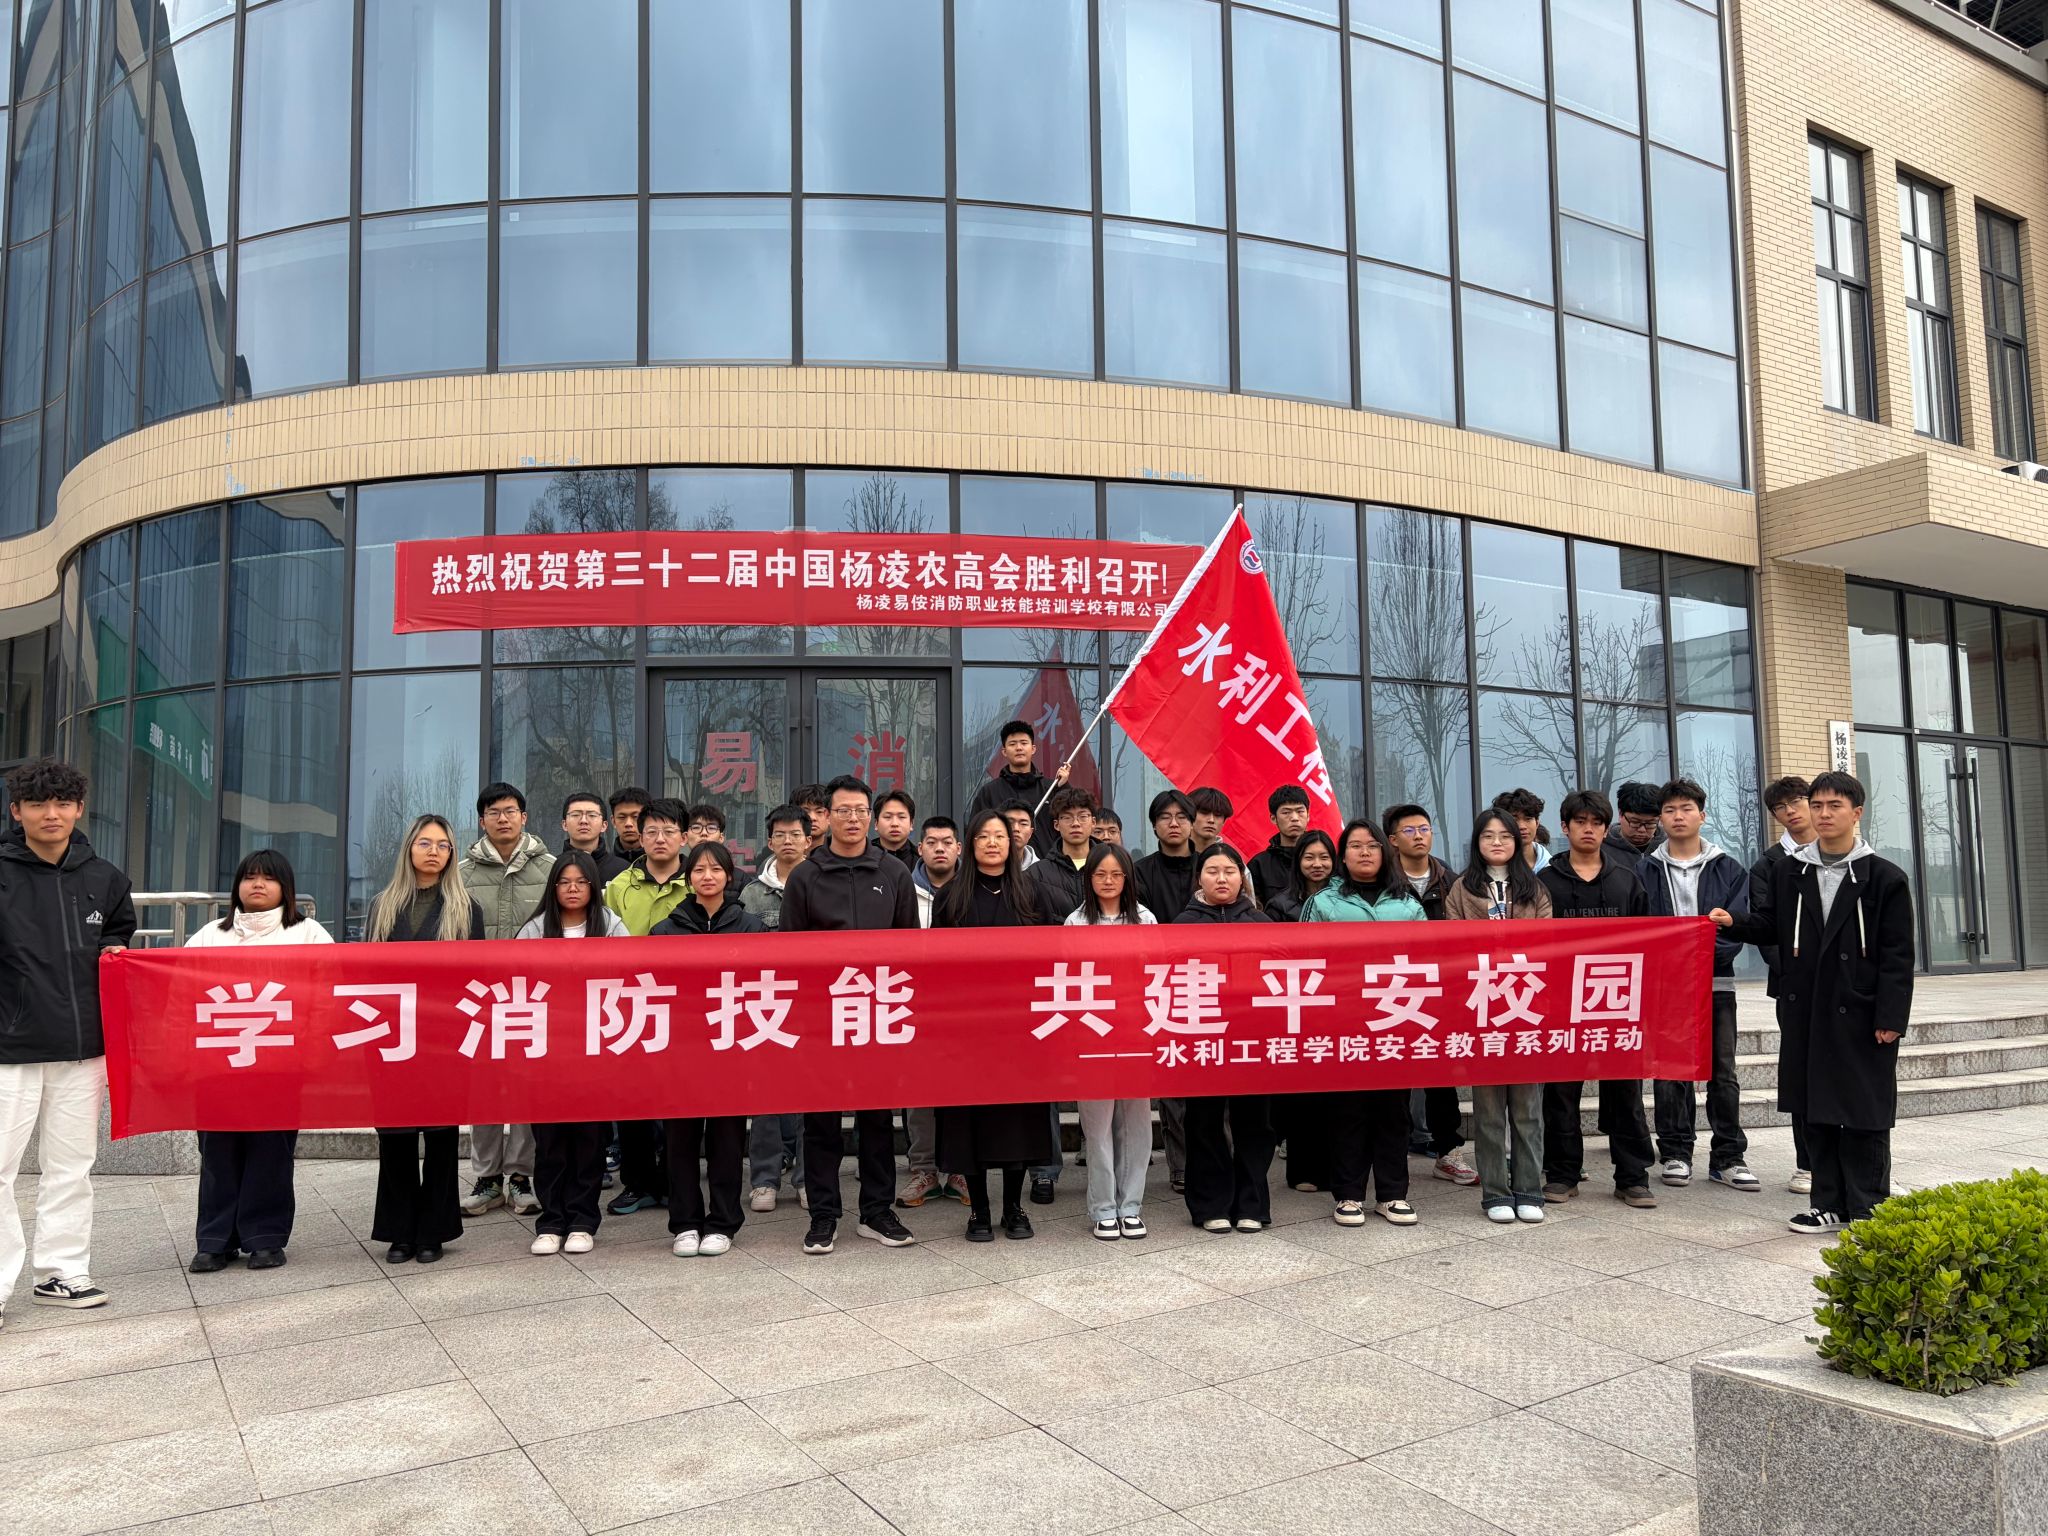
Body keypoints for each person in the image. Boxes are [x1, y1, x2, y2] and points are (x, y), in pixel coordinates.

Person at [1711, 772, 1913, 1235]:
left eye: (1833, 806)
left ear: (1856, 813)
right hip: (1807, 1009)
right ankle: (1827, 1203)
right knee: (1815, 1107)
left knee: (1863, 1111)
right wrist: (1734, 922)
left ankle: (1867, 1206)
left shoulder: (1883, 877)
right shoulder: (1790, 872)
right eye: (1817, 805)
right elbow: (1772, 925)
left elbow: (1898, 955)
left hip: (1862, 1010)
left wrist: (1890, 1016)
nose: (1823, 814)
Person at [0, 758, 136, 1321]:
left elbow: (118, 944)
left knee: (71, 1166)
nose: (50, 814)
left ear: (80, 808)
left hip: (84, 1049)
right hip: (10, 1048)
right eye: (37, 804)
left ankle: (61, 1272)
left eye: (62, 803)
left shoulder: (106, 878)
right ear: (17, 812)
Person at [784, 775, 921, 1254]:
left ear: (871, 817)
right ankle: (824, 1215)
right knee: (820, 1120)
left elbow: (909, 948)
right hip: (824, 1017)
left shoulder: (894, 873)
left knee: (877, 1118)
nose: (853, 819)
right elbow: (791, 955)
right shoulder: (806, 876)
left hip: (878, 1013)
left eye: (861, 810)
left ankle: (877, 1211)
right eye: (843, 810)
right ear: (826, 817)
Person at [184, 850, 332, 1274]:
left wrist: (313, 1051)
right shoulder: (210, 935)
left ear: (286, 887)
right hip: (219, 1061)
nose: (258, 884)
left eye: (269, 878)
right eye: (249, 877)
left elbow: (327, 995)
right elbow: (179, 991)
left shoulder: (309, 934)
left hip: (281, 1062)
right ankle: (215, 1240)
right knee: (218, 1150)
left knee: (270, 1149)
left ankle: (264, 1238)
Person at [933, 810, 1059, 1241]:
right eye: (983, 836)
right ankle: (979, 1211)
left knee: (1017, 1119)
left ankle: (1013, 1208)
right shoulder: (951, 897)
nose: (992, 843)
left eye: (1000, 836)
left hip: (1020, 1027)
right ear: (970, 844)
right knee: (971, 1120)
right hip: (967, 1029)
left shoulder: (1032, 893)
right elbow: (937, 965)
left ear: (1012, 844)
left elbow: (1049, 957)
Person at [364, 813, 484, 1265]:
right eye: (425, 843)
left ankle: (433, 1230)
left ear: (451, 854)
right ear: (409, 849)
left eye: (443, 845)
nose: (434, 851)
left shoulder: (466, 908)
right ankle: (400, 1231)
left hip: (442, 1037)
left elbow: (474, 979)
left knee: (440, 1138)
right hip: (390, 1034)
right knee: (394, 1137)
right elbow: (367, 975)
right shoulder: (382, 905)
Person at [1536, 791, 1658, 1210]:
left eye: (1596, 823)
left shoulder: (1627, 879)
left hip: (1617, 1001)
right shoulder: (1545, 883)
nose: (1588, 829)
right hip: (1560, 1003)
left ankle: (1633, 1177)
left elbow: (1648, 941)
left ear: (1607, 829)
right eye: (1580, 822)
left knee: (1625, 1092)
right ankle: (1562, 1174)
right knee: (1560, 1093)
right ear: (1565, 827)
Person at [1302, 820, 1424, 1227]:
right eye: (1355, 846)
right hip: (1345, 1019)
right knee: (1348, 1109)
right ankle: (1348, 1194)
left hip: (1397, 1017)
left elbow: (1429, 957)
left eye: (1372, 845)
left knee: (1394, 1110)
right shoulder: (1323, 903)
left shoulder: (1407, 903)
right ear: (1343, 855)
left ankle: (1392, 1194)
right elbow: (1306, 960)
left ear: (1385, 851)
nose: (1365, 852)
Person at [1640, 777, 1757, 1194]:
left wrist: (1696, 957)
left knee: (1722, 1072)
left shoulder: (1729, 868)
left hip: (1716, 984)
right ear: (1661, 819)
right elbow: (1641, 930)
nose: (1678, 816)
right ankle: (1675, 1152)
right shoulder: (1645, 869)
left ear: (1702, 815)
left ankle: (1728, 1157)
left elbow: (1735, 928)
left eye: (1686, 809)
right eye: (1670, 810)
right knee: (1671, 1069)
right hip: (1666, 988)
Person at [651, 842, 761, 1257]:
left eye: (716, 869)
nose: (708, 876)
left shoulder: (751, 927)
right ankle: (684, 1223)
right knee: (679, 1141)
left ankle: (723, 1222)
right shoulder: (665, 930)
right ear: (689, 877)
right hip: (682, 1050)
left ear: (729, 875)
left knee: (726, 1142)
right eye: (699, 870)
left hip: (731, 1049)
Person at [1446, 809, 1553, 1224]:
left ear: (1517, 841)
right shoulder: (1461, 889)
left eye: (1505, 836)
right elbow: (1454, 947)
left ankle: (1528, 1189)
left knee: (1528, 1109)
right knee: (1489, 1110)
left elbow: (1547, 945)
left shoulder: (1535, 889)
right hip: (1481, 1005)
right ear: (1477, 843)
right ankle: (1494, 1192)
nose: (1496, 843)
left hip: (1526, 1006)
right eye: (1488, 836)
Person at [518, 851, 626, 1256]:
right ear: (553, 887)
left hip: (595, 1050)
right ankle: (550, 1220)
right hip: (546, 1051)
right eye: (564, 882)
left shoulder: (610, 925)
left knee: (588, 1139)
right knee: (549, 1141)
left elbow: (628, 976)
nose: (573, 889)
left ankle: (582, 1219)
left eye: (581, 881)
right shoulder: (534, 928)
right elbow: (518, 981)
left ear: (593, 886)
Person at [458, 782, 555, 1219]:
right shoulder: (461, 873)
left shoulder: (550, 868)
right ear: (482, 820)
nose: (503, 818)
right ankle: (486, 1177)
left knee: (526, 1088)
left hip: (532, 996)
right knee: (483, 1089)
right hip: (479, 998)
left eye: (510, 810)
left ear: (524, 817)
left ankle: (520, 1175)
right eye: (494, 812)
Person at [1174, 843, 1276, 1233]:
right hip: (1203, 1035)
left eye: (1229, 871)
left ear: (1241, 877)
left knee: (1254, 1121)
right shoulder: (1182, 925)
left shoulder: (1261, 923)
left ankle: (1252, 1203)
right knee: (1203, 1120)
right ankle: (1210, 1203)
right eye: (1213, 871)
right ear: (1199, 878)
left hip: (1252, 1036)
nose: (1221, 878)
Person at [602, 798, 695, 1216]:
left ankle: (676, 1181)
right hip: (631, 1004)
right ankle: (637, 1183)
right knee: (633, 1099)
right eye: (652, 832)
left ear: (684, 837)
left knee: (680, 1099)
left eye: (669, 831)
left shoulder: (698, 880)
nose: (660, 839)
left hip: (685, 1006)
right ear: (639, 838)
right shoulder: (619, 886)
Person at [1065, 843, 1157, 1240]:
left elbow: (1155, 975)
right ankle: (1104, 1207)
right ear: (1089, 879)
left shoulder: (1145, 919)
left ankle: (1131, 1205)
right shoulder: (1075, 922)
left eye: (1115, 874)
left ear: (1127, 879)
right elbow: (1069, 979)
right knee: (1097, 1125)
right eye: (1100, 874)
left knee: (1136, 1123)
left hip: (1135, 1032)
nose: (1108, 881)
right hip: (1093, 1032)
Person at [1382, 803, 1476, 1187]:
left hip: (1440, 990)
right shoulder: (1382, 883)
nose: (1419, 836)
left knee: (1441, 1075)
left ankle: (1448, 1151)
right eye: (1409, 830)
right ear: (1392, 840)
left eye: (1424, 828)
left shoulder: (1452, 882)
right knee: (1392, 1077)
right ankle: (1389, 1156)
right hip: (1391, 989)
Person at [900, 817, 971, 1210]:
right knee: (920, 1091)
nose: (940, 848)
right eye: (931, 842)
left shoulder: (972, 888)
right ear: (920, 848)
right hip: (916, 1004)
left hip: (963, 1007)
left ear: (959, 848)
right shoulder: (902, 888)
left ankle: (959, 1170)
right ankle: (924, 1169)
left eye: (947, 842)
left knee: (962, 1089)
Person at [740, 804, 809, 1211]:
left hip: (809, 1002)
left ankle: (805, 1178)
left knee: (806, 1093)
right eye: (780, 835)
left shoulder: (820, 882)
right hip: (764, 1002)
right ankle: (764, 1179)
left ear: (808, 840)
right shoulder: (752, 892)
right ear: (769, 841)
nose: (787, 841)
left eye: (795, 834)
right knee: (765, 1094)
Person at [1754, 776, 1818, 1195]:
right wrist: (1794, 975)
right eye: (1780, 807)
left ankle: (1855, 1163)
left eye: (1797, 801)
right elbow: (1767, 930)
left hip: (1843, 989)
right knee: (1800, 1074)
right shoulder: (1770, 865)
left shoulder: (1846, 858)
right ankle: (1806, 1163)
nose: (1790, 811)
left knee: (1845, 1074)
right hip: (1794, 990)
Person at [1134, 789, 1199, 1193]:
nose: (1173, 823)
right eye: (1165, 817)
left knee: (1212, 1075)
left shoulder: (1212, 864)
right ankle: (1181, 1166)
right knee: (1173, 1079)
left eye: (1181, 817)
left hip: (1210, 982)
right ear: (1154, 825)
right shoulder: (1140, 872)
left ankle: (1217, 1157)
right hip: (1161, 982)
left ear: (1192, 823)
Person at [967, 718, 1069, 851]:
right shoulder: (989, 792)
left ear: (1033, 749)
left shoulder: (1051, 788)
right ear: (1004, 751)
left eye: (1024, 743)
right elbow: (976, 832)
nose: (1019, 748)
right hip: (1002, 861)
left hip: (1045, 861)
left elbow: (1070, 822)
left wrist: (1064, 787)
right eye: (1013, 744)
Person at [1031, 784, 1098, 922]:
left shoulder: (1112, 868)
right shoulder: (1036, 874)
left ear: (1093, 822)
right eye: (1067, 817)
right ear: (1056, 825)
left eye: (1082, 816)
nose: (1075, 823)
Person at [1247, 785, 1310, 907]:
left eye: (1300, 811)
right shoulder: (1259, 865)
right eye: (1286, 812)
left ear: (1308, 816)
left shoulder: (1324, 860)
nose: (1294, 818)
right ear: (1273, 818)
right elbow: (1253, 908)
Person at [1265, 828, 1335, 924]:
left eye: (1324, 857)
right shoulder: (1278, 907)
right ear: (1298, 861)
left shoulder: (1347, 900)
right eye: (1309, 858)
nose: (1317, 864)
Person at [561, 791, 628, 883]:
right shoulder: (553, 867)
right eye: (575, 815)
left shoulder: (623, 870)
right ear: (564, 824)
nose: (583, 821)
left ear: (604, 825)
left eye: (592, 815)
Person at [1607, 781, 1663, 874]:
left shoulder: (1669, 847)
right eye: (1635, 822)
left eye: (1650, 823)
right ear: (1620, 814)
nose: (1642, 830)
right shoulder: (1601, 848)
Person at [1491, 788, 1550, 872]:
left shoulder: (1552, 868)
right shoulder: (1491, 870)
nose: (1522, 826)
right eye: (1514, 819)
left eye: (1528, 819)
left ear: (1537, 823)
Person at [874, 790, 919, 868]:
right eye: (888, 817)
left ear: (911, 824)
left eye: (901, 817)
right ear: (876, 823)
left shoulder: (922, 861)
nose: (895, 824)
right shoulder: (863, 857)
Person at [608, 785, 650, 864]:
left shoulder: (659, 864)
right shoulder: (604, 865)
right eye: (622, 817)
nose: (628, 824)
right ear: (613, 821)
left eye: (635, 817)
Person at [1188, 787, 1232, 852]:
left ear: (1224, 821)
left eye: (1218, 815)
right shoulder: (1172, 851)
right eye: (1204, 813)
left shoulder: (1229, 857)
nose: (1211, 820)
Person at [1000, 803, 1043, 872]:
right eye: (1009, 823)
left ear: (1030, 833)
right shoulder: (983, 867)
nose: (1016, 828)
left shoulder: (1041, 872)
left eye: (1023, 824)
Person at [794, 783, 831, 851]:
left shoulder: (842, 854)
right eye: (805, 812)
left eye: (819, 812)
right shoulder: (779, 854)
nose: (812, 818)